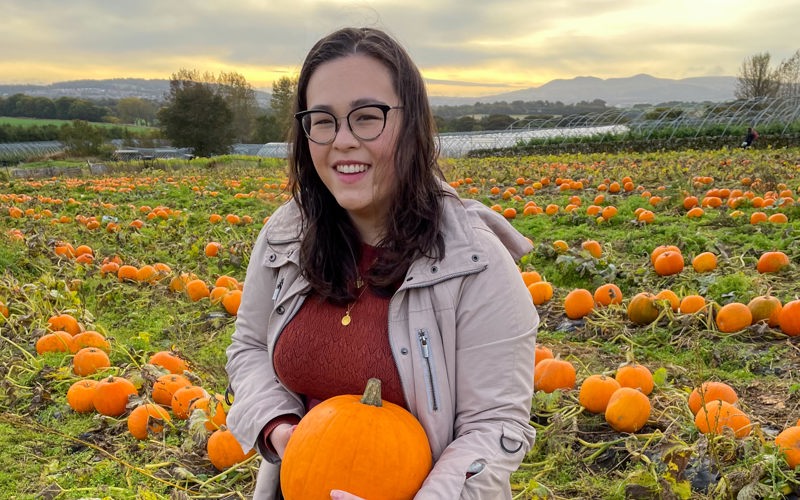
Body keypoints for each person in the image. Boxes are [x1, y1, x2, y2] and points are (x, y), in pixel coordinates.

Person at [225, 26, 539, 500]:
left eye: (367, 117)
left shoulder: (473, 261)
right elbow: (248, 347)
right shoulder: (286, 235)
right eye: (323, 121)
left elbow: (494, 427)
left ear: (411, 123)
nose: (343, 140)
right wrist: (278, 426)